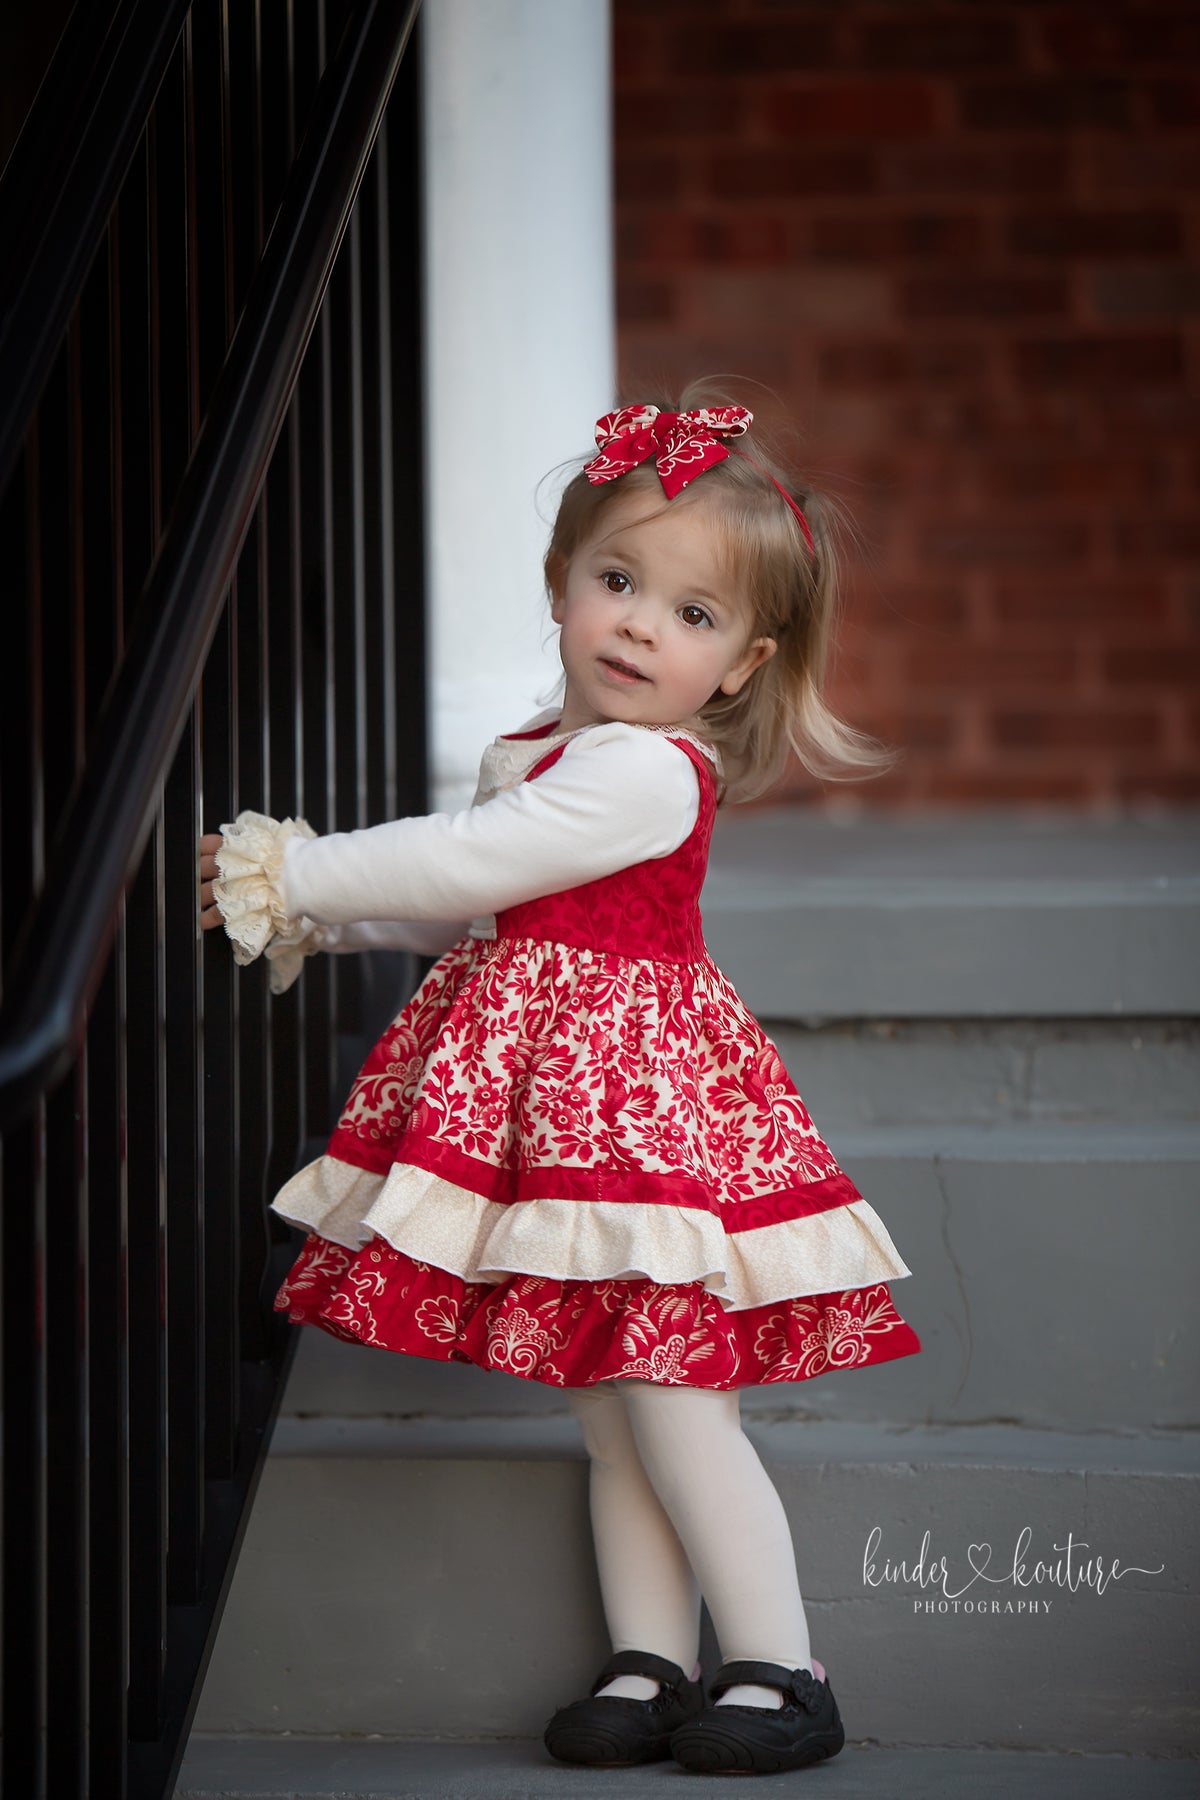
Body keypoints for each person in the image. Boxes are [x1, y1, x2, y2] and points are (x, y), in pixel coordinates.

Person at [199, 390, 922, 1777]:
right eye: (617, 582)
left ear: (740, 665)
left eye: (694, 615)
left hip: (634, 1111)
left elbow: (466, 863)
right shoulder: (537, 756)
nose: (645, 625)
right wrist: (311, 918)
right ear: (561, 587)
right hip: (549, 1110)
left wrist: (298, 865)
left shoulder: (651, 771)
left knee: (670, 1394)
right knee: (609, 1403)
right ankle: (650, 1659)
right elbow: (472, 907)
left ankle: (780, 1661)